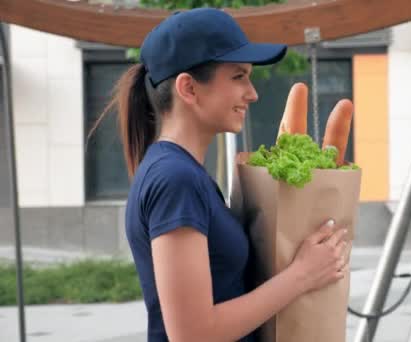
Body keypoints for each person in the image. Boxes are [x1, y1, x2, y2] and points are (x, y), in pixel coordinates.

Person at [100, 7, 350, 342]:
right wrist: (302, 274)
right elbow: (193, 335)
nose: (252, 92)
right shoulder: (175, 179)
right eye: (238, 77)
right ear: (188, 89)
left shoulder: (183, 172)